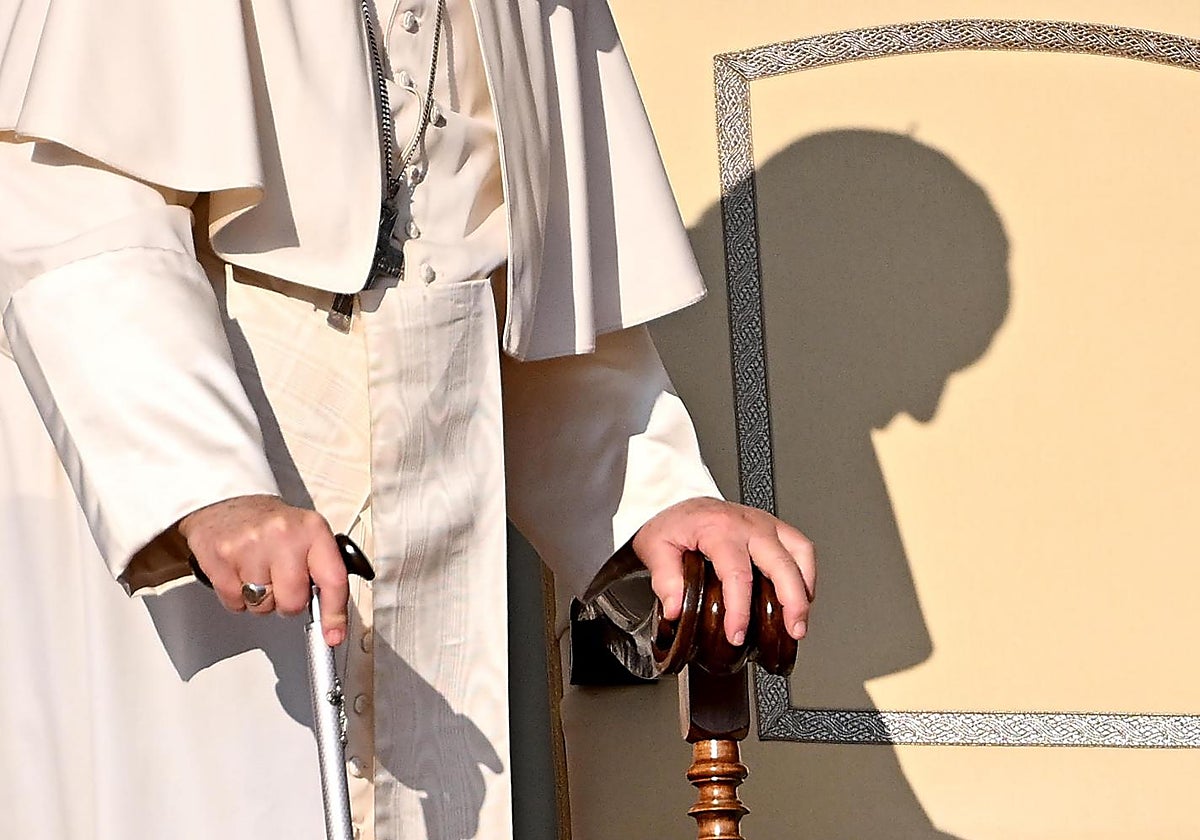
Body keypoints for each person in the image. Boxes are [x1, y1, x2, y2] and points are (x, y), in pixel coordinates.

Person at [0, 1, 816, 838]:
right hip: (206, 502)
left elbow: (527, 287)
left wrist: (653, 498)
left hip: (436, 537)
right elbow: (77, 209)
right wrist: (208, 485)